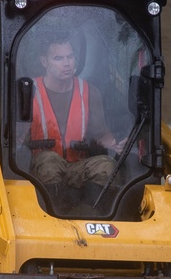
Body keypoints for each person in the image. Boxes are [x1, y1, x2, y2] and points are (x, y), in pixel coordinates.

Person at [28, 38, 124, 192]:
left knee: (106, 165)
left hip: (78, 165)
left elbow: (102, 134)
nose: (67, 64)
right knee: (49, 161)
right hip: (39, 168)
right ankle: (53, 209)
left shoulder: (89, 91)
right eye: (58, 58)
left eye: (70, 57)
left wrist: (116, 144)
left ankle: (94, 211)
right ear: (44, 61)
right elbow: (15, 139)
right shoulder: (28, 91)